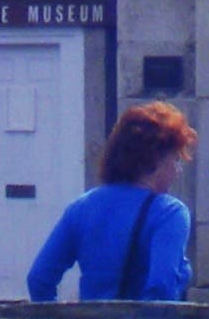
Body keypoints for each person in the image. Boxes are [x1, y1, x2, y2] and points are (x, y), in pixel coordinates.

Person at [27, 100, 197, 302]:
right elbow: (161, 287)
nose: (178, 171)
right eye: (176, 159)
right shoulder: (169, 213)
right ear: (156, 158)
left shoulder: (81, 208)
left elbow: (39, 279)